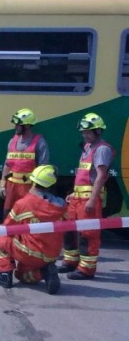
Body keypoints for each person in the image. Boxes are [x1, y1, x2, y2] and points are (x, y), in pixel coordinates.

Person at [0, 164, 66, 294]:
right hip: (51, 254)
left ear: (33, 182)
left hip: (30, 252)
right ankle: (44, 271)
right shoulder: (62, 206)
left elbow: (6, 228)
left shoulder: (24, 204)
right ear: (52, 185)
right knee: (21, 275)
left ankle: (4, 276)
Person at [59, 113, 115, 280]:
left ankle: (86, 270)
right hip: (77, 198)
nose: (85, 135)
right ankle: (71, 261)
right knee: (68, 229)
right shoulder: (88, 148)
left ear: (98, 131)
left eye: (88, 132)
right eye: (83, 132)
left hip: (88, 199)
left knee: (87, 234)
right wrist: (73, 194)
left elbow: (100, 176)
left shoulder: (102, 149)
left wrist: (92, 199)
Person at [0, 108, 50, 217]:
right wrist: (2, 185)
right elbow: (7, 164)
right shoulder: (12, 141)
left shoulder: (39, 142)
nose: (15, 127)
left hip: (29, 187)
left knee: (26, 216)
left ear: (27, 126)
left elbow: (43, 169)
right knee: (8, 216)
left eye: (18, 125)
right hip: (11, 187)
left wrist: (35, 189)